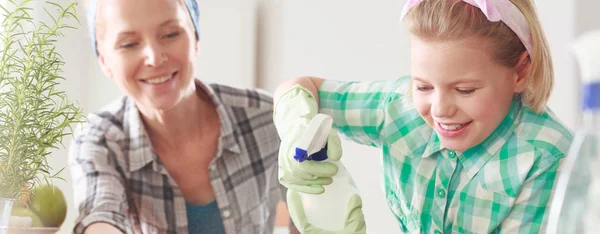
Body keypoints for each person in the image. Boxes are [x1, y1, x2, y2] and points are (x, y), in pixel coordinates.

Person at [273, 0, 573, 233]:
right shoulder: (397, 107)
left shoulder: (546, 158)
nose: (440, 108)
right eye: (423, 86)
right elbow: (303, 88)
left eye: (465, 89)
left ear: (520, 72)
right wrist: (295, 126)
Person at [69, 0, 297, 233]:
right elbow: (100, 213)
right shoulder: (99, 139)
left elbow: (311, 215)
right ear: (104, 61)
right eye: (129, 44)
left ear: (195, 37)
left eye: (170, 34)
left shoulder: (266, 116)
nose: (154, 58)